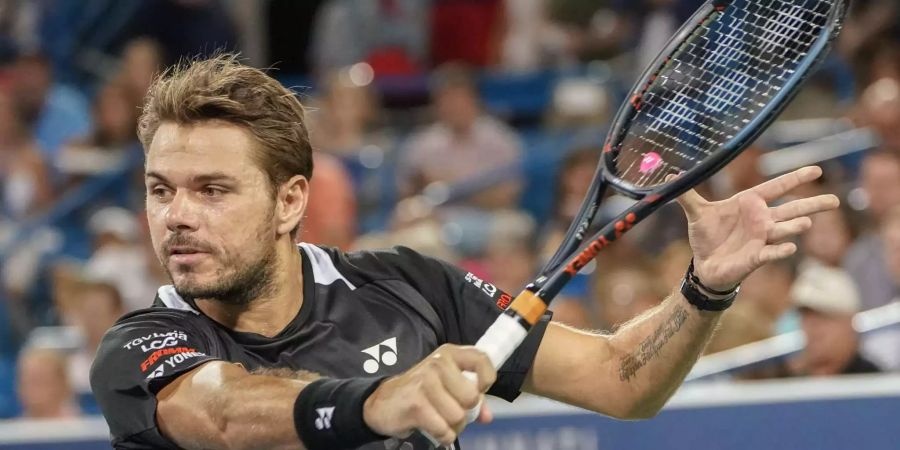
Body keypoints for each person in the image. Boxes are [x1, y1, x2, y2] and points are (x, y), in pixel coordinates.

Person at [90, 54, 838, 450]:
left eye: (212, 190)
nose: (177, 217)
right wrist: (379, 404)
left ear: (291, 201)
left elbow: (618, 383)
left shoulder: (410, 287)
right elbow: (223, 415)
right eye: (162, 190)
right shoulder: (143, 347)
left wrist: (702, 290)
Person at [787, 264, 881, 376]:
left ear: (850, 323)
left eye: (825, 317)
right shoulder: (791, 384)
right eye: (806, 318)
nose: (814, 331)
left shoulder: (875, 382)